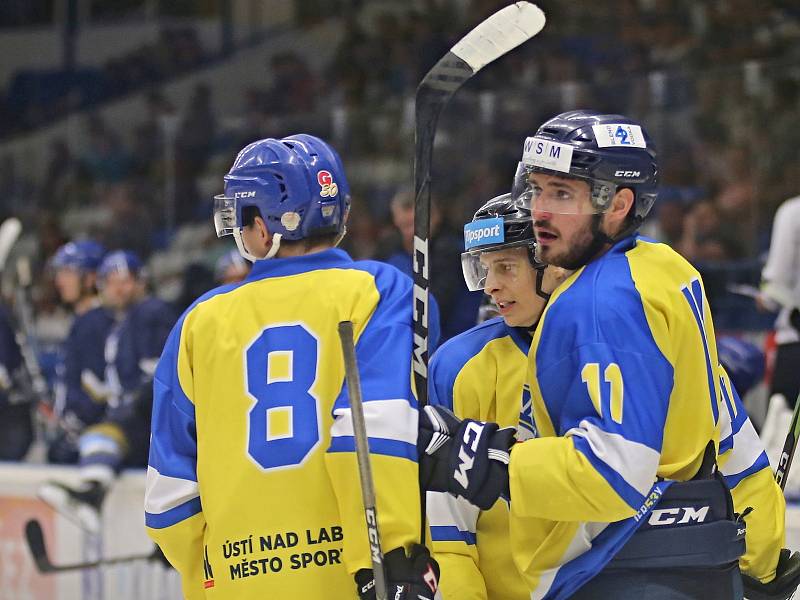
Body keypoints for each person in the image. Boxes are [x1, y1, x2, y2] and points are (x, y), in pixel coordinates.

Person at [417, 110, 785, 599]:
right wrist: (762, 563)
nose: (541, 212)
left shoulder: (594, 303)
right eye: (538, 191)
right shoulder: (664, 270)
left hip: (623, 570)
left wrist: (485, 458)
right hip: (697, 559)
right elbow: (732, 439)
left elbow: (614, 470)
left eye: (562, 194)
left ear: (617, 204)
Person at [145, 134, 439, 600]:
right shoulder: (379, 289)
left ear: (262, 226)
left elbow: (168, 497)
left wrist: (214, 576)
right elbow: (375, 429)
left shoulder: (196, 322)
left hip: (233, 580)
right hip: (350, 576)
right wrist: (384, 563)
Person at [427, 193, 569, 600]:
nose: (490, 286)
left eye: (506, 267)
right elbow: (447, 528)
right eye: (484, 269)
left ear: (552, 265)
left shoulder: (616, 345)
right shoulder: (458, 366)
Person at [40, 250, 177, 533]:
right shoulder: (120, 322)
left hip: (154, 416)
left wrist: (132, 404)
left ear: (142, 282)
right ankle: (94, 495)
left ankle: (92, 496)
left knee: (104, 434)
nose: (119, 288)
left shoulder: (149, 312)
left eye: (125, 280)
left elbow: (157, 372)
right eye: (112, 281)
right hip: (140, 417)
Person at [47, 239, 113, 464]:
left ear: (92, 277)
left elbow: (98, 388)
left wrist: (74, 422)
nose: (59, 280)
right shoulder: (85, 320)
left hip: (88, 441)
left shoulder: (95, 322)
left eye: (68, 272)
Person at [757, 194, 800, 495]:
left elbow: (775, 285)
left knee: (781, 444)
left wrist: (767, 297)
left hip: (795, 347)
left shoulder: (793, 212)